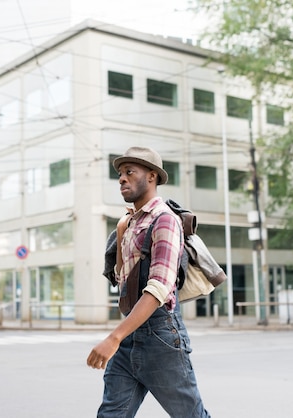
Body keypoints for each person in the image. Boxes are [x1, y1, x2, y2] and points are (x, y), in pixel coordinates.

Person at [87, 146, 210, 417]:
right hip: (131, 333)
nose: (121, 178)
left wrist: (114, 337)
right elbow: (122, 279)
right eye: (120, 173)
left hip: (160, 337)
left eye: (130, 172)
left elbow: (157, 290)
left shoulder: (165, 220)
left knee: (190, 415)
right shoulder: (130, 224)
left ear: (152, 176)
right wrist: (121, 232)